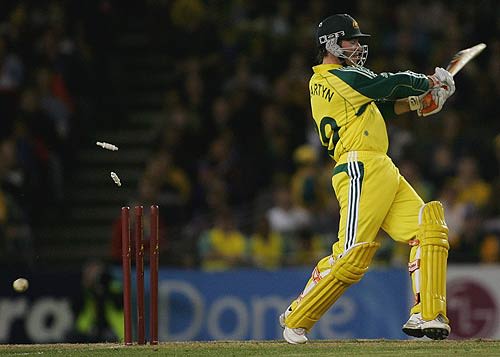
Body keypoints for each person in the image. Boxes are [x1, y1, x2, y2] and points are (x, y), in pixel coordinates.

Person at [279, 14, 455, 344]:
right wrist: (428, 81)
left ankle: (427, 315)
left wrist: (421, 101)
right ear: (330, 44)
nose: (359, 47)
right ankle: (297, 317)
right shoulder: (333, 77)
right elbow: (385, 86)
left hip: (380, 166)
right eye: (352, 40)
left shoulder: (341, 82)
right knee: (352, 255)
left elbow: (380, 108)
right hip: (359, 165)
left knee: (428, 227)